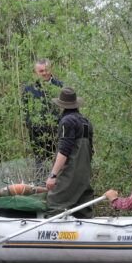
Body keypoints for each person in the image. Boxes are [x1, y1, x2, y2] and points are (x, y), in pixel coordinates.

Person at [46, 87, 94, 219]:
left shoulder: (66, 121)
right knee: (83, 210)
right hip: (85, 174)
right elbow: (91, 151)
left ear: (62, 106)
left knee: (54, 204)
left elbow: (64, 151)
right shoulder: (86, 122)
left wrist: (53, 175)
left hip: (70, 174)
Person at [22, 58, 63, 160]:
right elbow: (25, 111)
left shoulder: (61, 86)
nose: (45, 73)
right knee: (40, 167)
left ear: (51, 70)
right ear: (35, 73)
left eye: (47, 69)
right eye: (41, 71)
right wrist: (32, 127)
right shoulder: (29, 88)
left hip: (59, 135)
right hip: (37, 137)